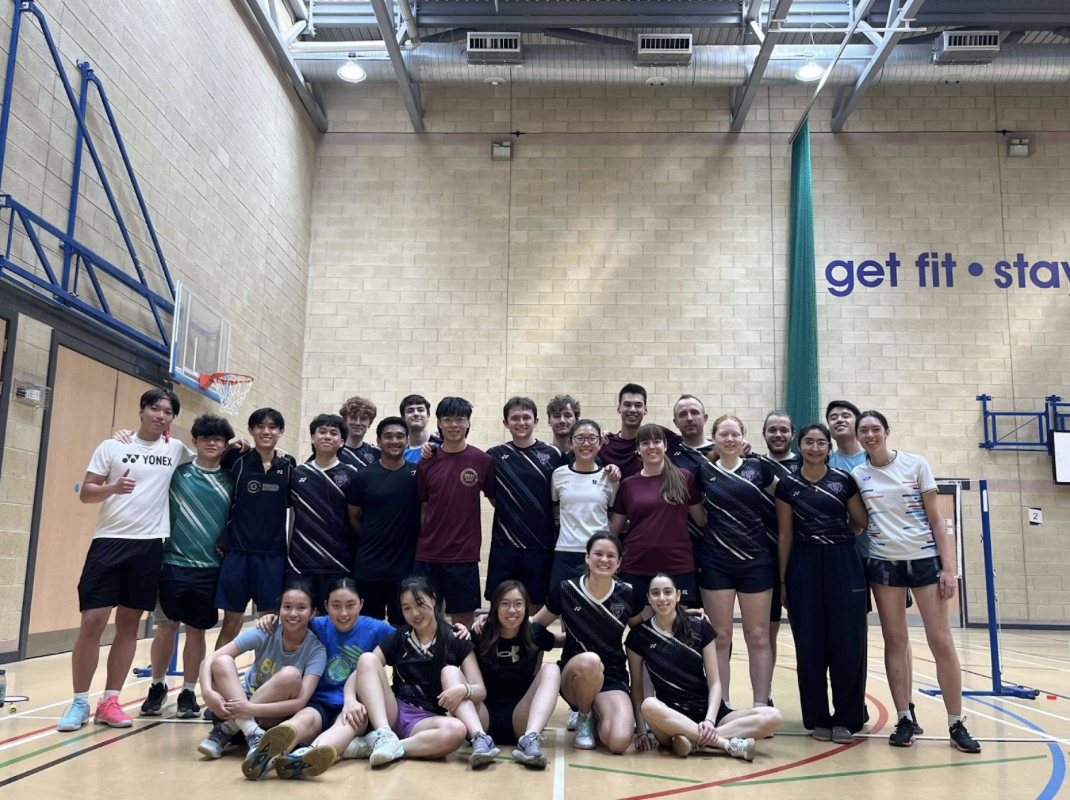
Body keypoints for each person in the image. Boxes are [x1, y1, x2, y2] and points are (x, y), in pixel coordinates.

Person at [57, 389, 192, 732]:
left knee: (129, 625)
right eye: (155, 408)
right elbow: (87, 493)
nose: (161, 415)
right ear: (142, 410)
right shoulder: (112, 446)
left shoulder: (175, 449)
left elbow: (212, 452)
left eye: (167, 411)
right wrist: (113, 488)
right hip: (108, 543)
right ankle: (79, 702)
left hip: (148, 546)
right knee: (93, 621)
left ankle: (110, 701)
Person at [852, 411, 980, 753]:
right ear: (858, 436)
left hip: (925, 561)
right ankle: (905, 718)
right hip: (883, 563)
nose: (870, 435)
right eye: (864, 430)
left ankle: (956, 722)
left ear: (887, 432)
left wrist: (948, 569)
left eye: (875, 429)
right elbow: (858, 520)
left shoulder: (915, 464)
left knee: (941, 641)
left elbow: (936, 520)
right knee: (895, 640)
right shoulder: (858, 474)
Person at [827, 400, 921, 734]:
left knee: (896, 635)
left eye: (846, 415)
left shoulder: (876, 458)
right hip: (846, 561)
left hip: (885, 556)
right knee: (852, 635)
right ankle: (854, 704)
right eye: (833, 417)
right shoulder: (826, 460)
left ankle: (907, 708)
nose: (840, 420)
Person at [775, 423, 869, 743]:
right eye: (808, 442)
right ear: (799, 446)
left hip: (844, 563)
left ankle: (847, 718)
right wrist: (783, 580)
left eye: (820, 443)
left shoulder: (843, 480)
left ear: (829, 448)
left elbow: (861, 521)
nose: (814, 448)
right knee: (809, 644)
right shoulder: (788, 485)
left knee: (848, 643)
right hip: (803, 565)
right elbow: (785, 534)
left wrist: (836, 538)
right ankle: (817, 718)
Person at [246, 579, 395, 780]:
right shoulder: (316, 624)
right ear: (325, 606)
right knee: (303, 720)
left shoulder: (376, 629)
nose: (343, 613)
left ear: (361, 604)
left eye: (350, 605)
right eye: (336, 606)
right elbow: (293, 619)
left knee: (349, 723)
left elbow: (407, 637)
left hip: (355, 705)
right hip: (317, 702)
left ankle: (303, 756)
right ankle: (270, 752)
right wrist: (270, 619)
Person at [140, 414, 235, 720]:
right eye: (205, 438)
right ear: (194, 441)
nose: (212, 443)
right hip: (172, 562)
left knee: (197, 632)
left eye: (218, 439)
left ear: (226, 445)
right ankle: (157, 686)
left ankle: (188, 692)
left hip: (210, 567)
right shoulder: (177, 473)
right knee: (166, 628)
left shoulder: (231, 479)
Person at [627, 574, 782, 760]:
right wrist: (642, 733)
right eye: (655, 593)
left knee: (773, 716)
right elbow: (637, 690)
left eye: (667, 592)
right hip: (670, 718)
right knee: (649, 704)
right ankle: (726, 744)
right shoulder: (639, 636)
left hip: (708, 712)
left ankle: (693, 739)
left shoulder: (699, 626)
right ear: (648, 598)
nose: (662, 598)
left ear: (678, 595)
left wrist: (709, 720)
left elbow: (715, 683)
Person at [353, 577, 501, 769]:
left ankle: (383, 747)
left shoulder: (456, 638)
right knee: (367, 658)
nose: (414, 613)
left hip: (426, 722)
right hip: (393, 711)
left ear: (433, 599)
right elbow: (363, 670)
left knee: (456, 729)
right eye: (407, 608)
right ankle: (384, 735)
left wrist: (463, 690)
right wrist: (349, 699)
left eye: (420, 604)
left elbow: (480, 691)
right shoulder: (399, 637)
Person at [693, 415, 777, 711]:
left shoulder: (758, 468)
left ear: (743, 437)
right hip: (716, 564)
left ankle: (760, 706)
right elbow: (699, 517)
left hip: (756, 563)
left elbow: (785, 499)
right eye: (723, 434)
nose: (729, 439)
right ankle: (722, 706)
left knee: (758, 636)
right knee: (721, 637)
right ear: (714, 438)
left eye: (735, 434)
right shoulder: (703, 472)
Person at [533, 532, 646, 754]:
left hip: (612, 675)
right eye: (598, 554)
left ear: (619, 562)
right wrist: (489, 621)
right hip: (574, 677)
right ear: (587, 557)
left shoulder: (627, 594)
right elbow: (535, 626)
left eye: (611, 556)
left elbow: (643, 631)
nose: (604, 560)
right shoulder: (566, 590)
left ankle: (597, 713)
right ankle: (583, 716)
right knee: (591, 661)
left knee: (619, 742)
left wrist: (679, 618)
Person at [196, 584, 326, 769]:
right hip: (233, 709)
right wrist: (207, 692)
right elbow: (209, 660)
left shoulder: (316, 651)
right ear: (278, 610)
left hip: (268, 718)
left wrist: (250, 709)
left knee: (290, 675)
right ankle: (251, 732)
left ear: (313, 613)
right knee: (222, 660)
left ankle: (227, 730)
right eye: (287, 607)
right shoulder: (266, 630)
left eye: (301, 608)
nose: (293, 613)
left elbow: (299, 703)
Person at [215, 408, 297, 647]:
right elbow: (212, 457)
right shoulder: (236, 460)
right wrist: (232, 446)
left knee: (269, 623)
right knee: (231, 623)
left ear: (281, 432)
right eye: (260, 426)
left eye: (272, 427)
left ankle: (265, 671)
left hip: (272, 556)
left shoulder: (288, 465)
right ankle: (218, 669)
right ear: (250, 430)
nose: (266, 431)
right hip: (237, 553)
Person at [413, 396, 495, 628]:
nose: (454, 425)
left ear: (468, 422)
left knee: (463, 625)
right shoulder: (426, 461)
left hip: (463, 556)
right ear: (439, 423)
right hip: (428, 555)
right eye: (448, 419)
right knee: (427, 621)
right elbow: (424, 506)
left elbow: (496, 500)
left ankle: (462, 655)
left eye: (460, 419)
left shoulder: (483, 460)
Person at [609, 424, 704, 606]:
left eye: (657, 441)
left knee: (678, 622)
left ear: (665, 446)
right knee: (641, 623)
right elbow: (614, 528)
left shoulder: (684, 478)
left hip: (677, 564)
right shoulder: (628, 484)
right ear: (638, 449)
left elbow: (701, 520)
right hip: (636, 565)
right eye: (645, 442)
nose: (651, 446)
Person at [485, 397, 564, 613]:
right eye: (515, 418)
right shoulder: (494, 455)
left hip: (541, 546)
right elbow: (493, 496)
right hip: (504, 545)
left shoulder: (553, 454)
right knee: (501, 605)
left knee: (535, 608)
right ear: (505, 423)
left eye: (526, 417)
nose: (521, 422)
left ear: (536, 421)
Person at [472, 580, 561, 768]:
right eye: (505, 604)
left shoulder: (534, 633)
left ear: (526, 608)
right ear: (495, 607)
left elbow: (562, 640)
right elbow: (450, 641)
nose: (512, 610)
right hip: (483, 718)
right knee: (454, 672)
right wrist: (460, 629)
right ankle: (479, 738)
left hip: (521, 719)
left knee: (552, 670)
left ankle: (530, 738)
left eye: (518, 604)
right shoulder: (479, 633)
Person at [348, 417, 421, 626]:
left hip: (405, 568)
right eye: (388, 436)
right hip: (369, 567)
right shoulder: (363, 476)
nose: (394, 441)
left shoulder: (418, 474)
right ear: (379, 441)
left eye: (400, 436)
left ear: (407, 441)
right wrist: (371, 535)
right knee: (370, 627)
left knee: (404, 627)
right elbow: (353, 516)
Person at [287, 413, 360, 609]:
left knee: (336, 618)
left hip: (339, 561)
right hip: (301, 561)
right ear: (312, 438)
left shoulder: (352, 474)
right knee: (301, 618)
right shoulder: (297, 474)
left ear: (342, 442)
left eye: (333, 433)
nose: (327, 436)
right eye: (322, 432)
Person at [757, 410, 800, 705]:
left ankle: (815, 699)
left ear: (792, 434)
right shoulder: (754, 465)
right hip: (764, 560)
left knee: (806, 633)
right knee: (767, 632)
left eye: (783, 429)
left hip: (801, 559)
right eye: (772, 429)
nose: (778, 434)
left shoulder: (805, 464)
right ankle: (766, 695)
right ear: (764, 434)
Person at [550, 419, 619, 590]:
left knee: (597, 603)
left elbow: (611, 515)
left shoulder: (610, 478)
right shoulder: (558, 475)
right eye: (580, 438)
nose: (586, 444)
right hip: (565, 552)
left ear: (600, 443)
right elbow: (555, 511)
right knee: (562, 603)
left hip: (599, 554)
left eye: (592, 438)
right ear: (570, 442)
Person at [599, 384, 681, 479]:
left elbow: (688, 442)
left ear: (645, 410)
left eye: (638, 405)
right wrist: (596, 435)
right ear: (619, 408)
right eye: (627, 405)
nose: (632, 410)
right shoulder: (605, 442)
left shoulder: (657, 434)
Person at [338, 395, 381, 468]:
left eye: (363, 418)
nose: (358, 423)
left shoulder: (377, 453)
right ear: (345, 420)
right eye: (353, 417)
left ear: (370, 423)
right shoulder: (333, 452)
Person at [401, 394, 435, 463]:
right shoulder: (399, 455)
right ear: (403, 418)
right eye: (410, 411)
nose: (416, 414)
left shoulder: (442, 446)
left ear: (428, 415)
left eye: (420, 410)